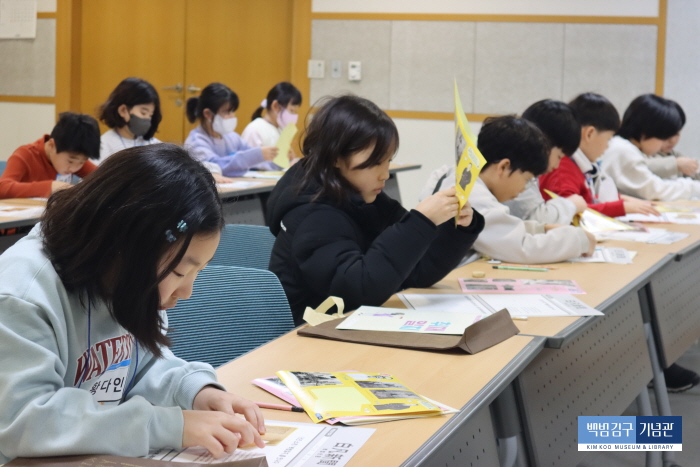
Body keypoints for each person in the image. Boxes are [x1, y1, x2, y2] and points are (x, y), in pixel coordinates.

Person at [0, 144, 265, 463]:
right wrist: (166, 425)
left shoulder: (123, 279)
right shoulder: (21, 294)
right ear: (127, 246)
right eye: (179, 272)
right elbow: (24, 421)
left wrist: (194, 390)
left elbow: (141, 364)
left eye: (198, 272)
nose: (187, 292)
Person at [266, 95, 484, 324]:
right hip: (304, 334)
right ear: (336, 157)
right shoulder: (313, 215)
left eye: (388, 161)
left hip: (348, 325)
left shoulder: (367, 199)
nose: (385, 174)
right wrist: (420, 222)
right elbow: (358, 289)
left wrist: (458, 227)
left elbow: (417, 270)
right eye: (375, 162)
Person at [423, 115, 595, 264]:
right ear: (504, 167)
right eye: (527, 180)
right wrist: (579, 239)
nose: (524, 189)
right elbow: (522, 248)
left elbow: (499, 229)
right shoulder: (473, 197)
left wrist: (540, 229)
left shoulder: (460, 176)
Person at [540, 92, 658, 217]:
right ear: (589, 134)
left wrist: (621, 199)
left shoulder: (577, 164)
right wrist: (621, 207)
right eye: (608, 139)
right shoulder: (562, 168)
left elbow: (590, 198)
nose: (607, 146)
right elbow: (571, 212)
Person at [600, 94, 700, 201]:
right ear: (647, 131)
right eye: (664, 138)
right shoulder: (622, 150)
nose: (664, 144)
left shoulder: (624, 146)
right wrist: (693, 187)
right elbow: (656, 191)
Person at [504, 99, 586, 223]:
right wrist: (571, 204)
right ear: (544, 143)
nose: (557, 166)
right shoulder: (518, 168)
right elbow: (537, 219)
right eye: (559, 156)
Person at [185, 82, 280, 177]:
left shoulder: (232, 137)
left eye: (233, 111)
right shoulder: (195, 142)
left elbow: (255, 161)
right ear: (208, 114)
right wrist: (256, 155)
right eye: (227, 112)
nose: (232, 116)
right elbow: (213, 166)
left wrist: (277, 161)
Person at [0, 112, 100, 199]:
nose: (74, 168)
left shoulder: (75, 158)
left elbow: (103, 179)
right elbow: (2, 188)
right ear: (51, 145)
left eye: (82, 162)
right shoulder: (26, 154)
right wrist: (50, 187)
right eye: (70, 161)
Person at [97, 77, 162, 163]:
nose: (147, 119)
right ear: (123, 110)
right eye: (143, 113)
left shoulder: (154, 145)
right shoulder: (104, 145)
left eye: (150, 115)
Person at [644, 101, 700, 180]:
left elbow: (693, 167)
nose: (673, 141)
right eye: (667, 134)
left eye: (677, 134)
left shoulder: (672, 153)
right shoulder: (638, 154)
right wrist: (675, 164)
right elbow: (641, 167)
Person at [241, 81, 302, 148]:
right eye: (291, 110)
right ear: (275, 106)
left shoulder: (280, 130)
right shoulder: (254, 130)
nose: (293, 116)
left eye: (295, 112)